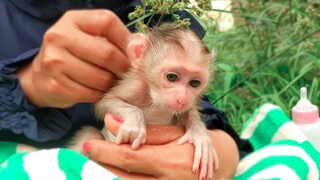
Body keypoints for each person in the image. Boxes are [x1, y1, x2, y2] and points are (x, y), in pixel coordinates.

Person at [0, 1, 251, 179]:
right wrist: (22, 86)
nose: (182, 97)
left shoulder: (159, 16)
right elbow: (107, 104)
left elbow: (193, 108)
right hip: (91, 150)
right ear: (139, 53)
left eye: (195, 83)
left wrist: (220, 145)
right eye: (172, 77)